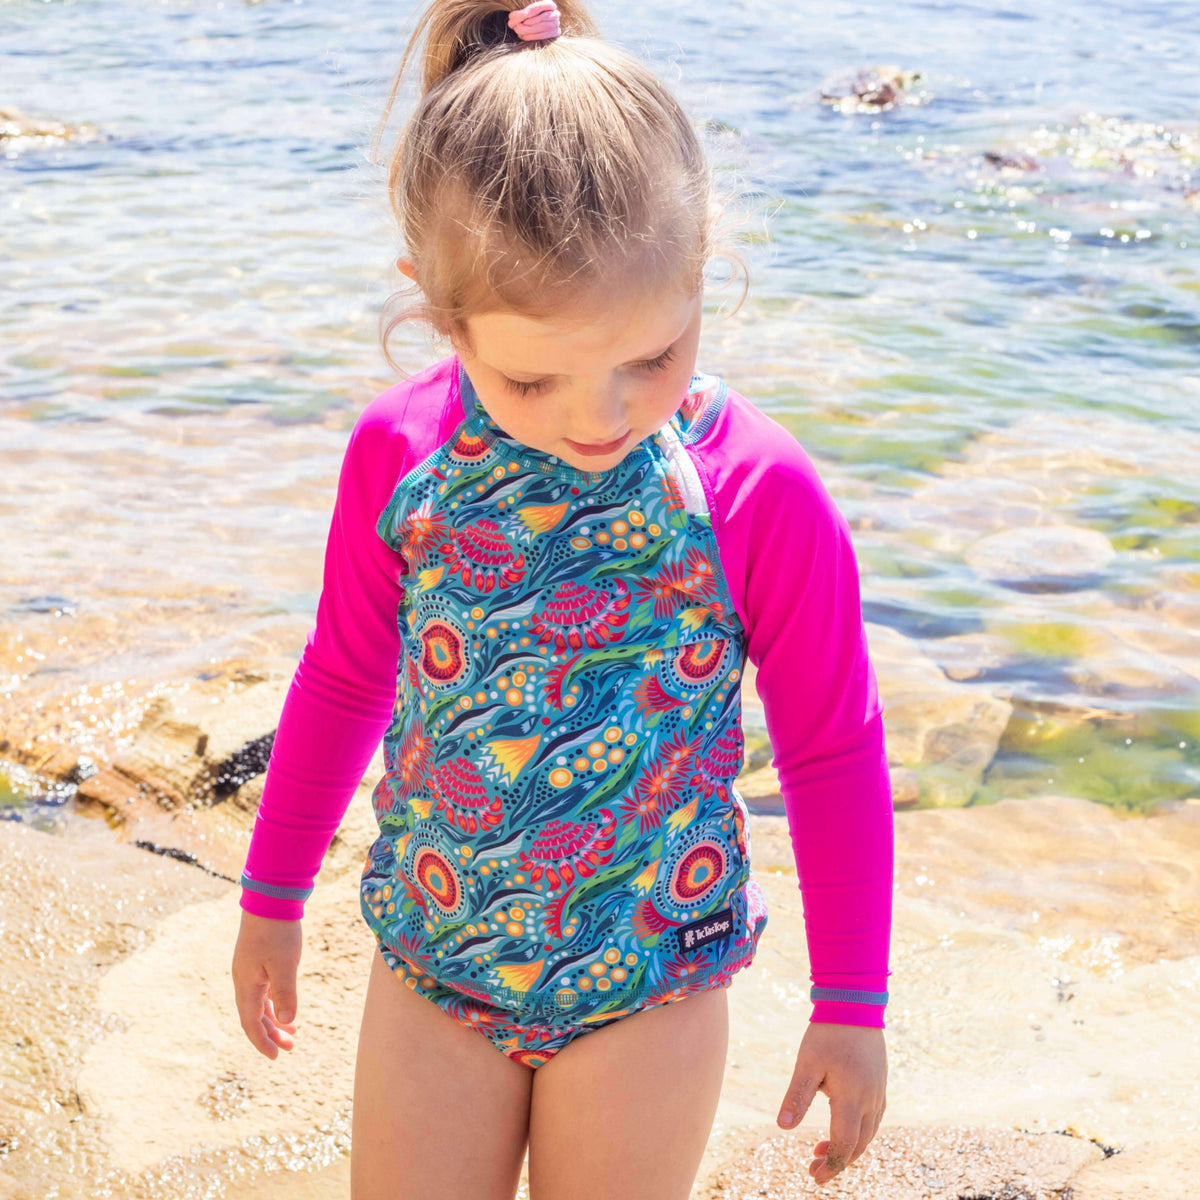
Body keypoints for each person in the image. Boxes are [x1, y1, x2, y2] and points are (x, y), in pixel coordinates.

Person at [230, 1, 893, 1196]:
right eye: (533, 378)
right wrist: (273, 892)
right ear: (437, 312)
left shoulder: (755, 492)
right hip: (437, 957)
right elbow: (343, 676)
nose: (601, 415)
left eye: (652, 356)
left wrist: (852, 1001)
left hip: (649, 983)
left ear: (700, 274)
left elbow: (831, 747)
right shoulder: (402, 459)